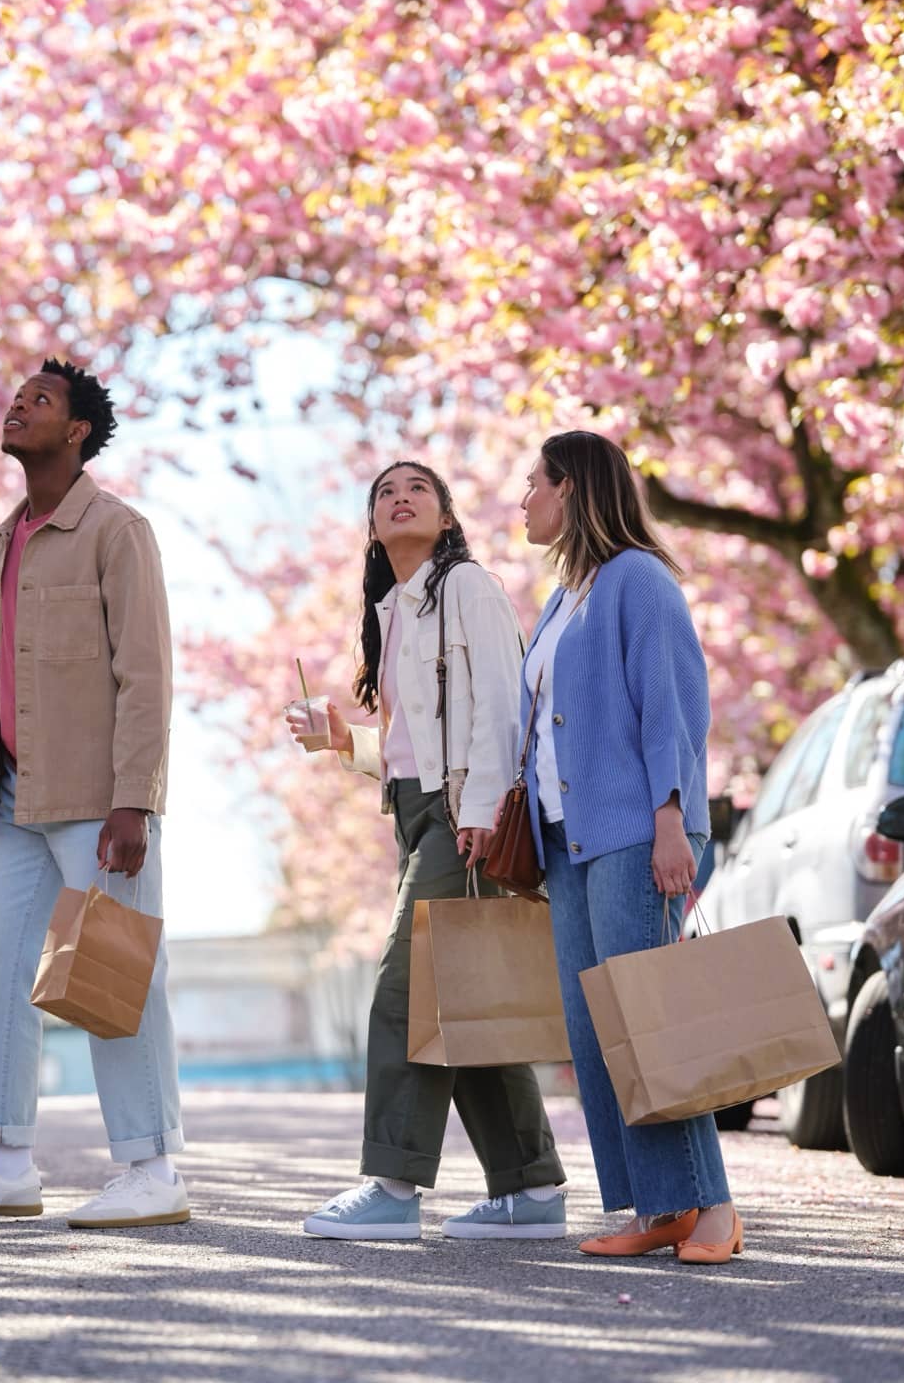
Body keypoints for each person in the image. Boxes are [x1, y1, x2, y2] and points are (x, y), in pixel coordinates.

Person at [0, 358, 187, 1229]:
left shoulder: (116, 529)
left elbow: (147, 673)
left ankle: (151, 1168)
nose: (19, 406)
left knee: (114, 975)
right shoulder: (1, 542)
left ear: (77, 432)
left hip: (101, 801)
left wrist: (136, 797)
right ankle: (1, 1159)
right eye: (17, 397)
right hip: (14, 800)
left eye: (42, 401)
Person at [293, 461, 567, 1243]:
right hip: (421, 813)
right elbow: (414, 751)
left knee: (404, 993)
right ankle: (531, 1190)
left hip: (462, 817)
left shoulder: (467, 588)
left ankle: (392, 1184)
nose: (399, 497)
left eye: (417, 488)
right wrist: (347, 744)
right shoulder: (395, 611)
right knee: (463, 999)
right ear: (373, 527)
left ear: (446, 517)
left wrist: (480, 808)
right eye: (384, 493)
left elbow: (504, 705)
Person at [517, 429, 740, 1265]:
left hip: (636, 837)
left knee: (652, 1026)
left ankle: (711, 1207)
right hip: (566, 846)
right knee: (597, 1034)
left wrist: (672, 818)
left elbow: (673, 708)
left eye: (533, 484)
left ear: (571, 487)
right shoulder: (561, 598)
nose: (523, 500)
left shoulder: (637, 581)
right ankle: (656, 1207)